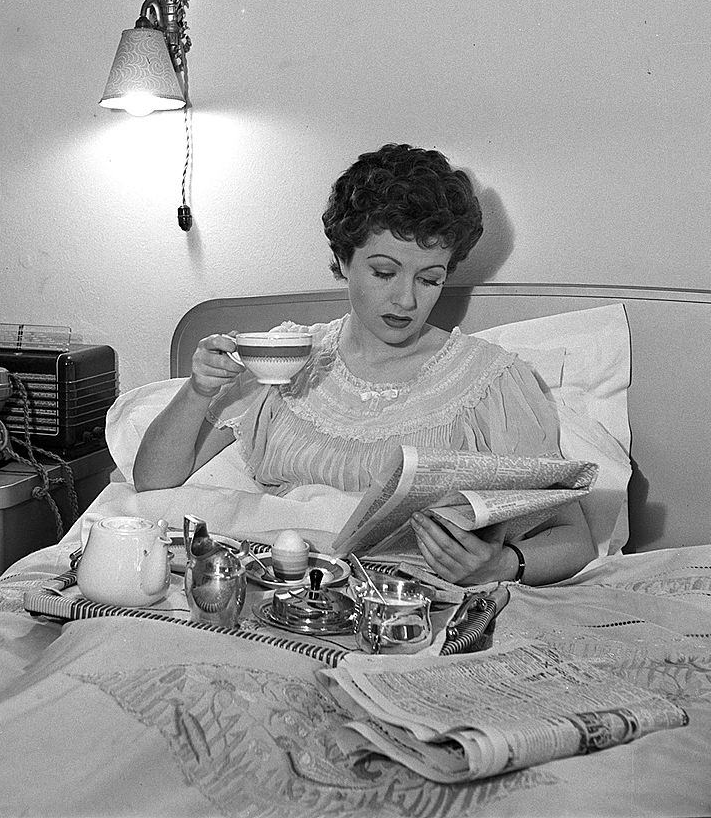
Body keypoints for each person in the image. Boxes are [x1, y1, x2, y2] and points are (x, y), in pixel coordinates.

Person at [134, 144, 597, 586]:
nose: (406, 299)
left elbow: (574, 536)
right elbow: (154, 481)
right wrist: (197, 390)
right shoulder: (287, 356)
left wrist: (498, 566)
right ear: (343, 259)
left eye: (430, 278)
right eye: (383, 272)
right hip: (275, 586)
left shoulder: (490, 381)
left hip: (404, 601)